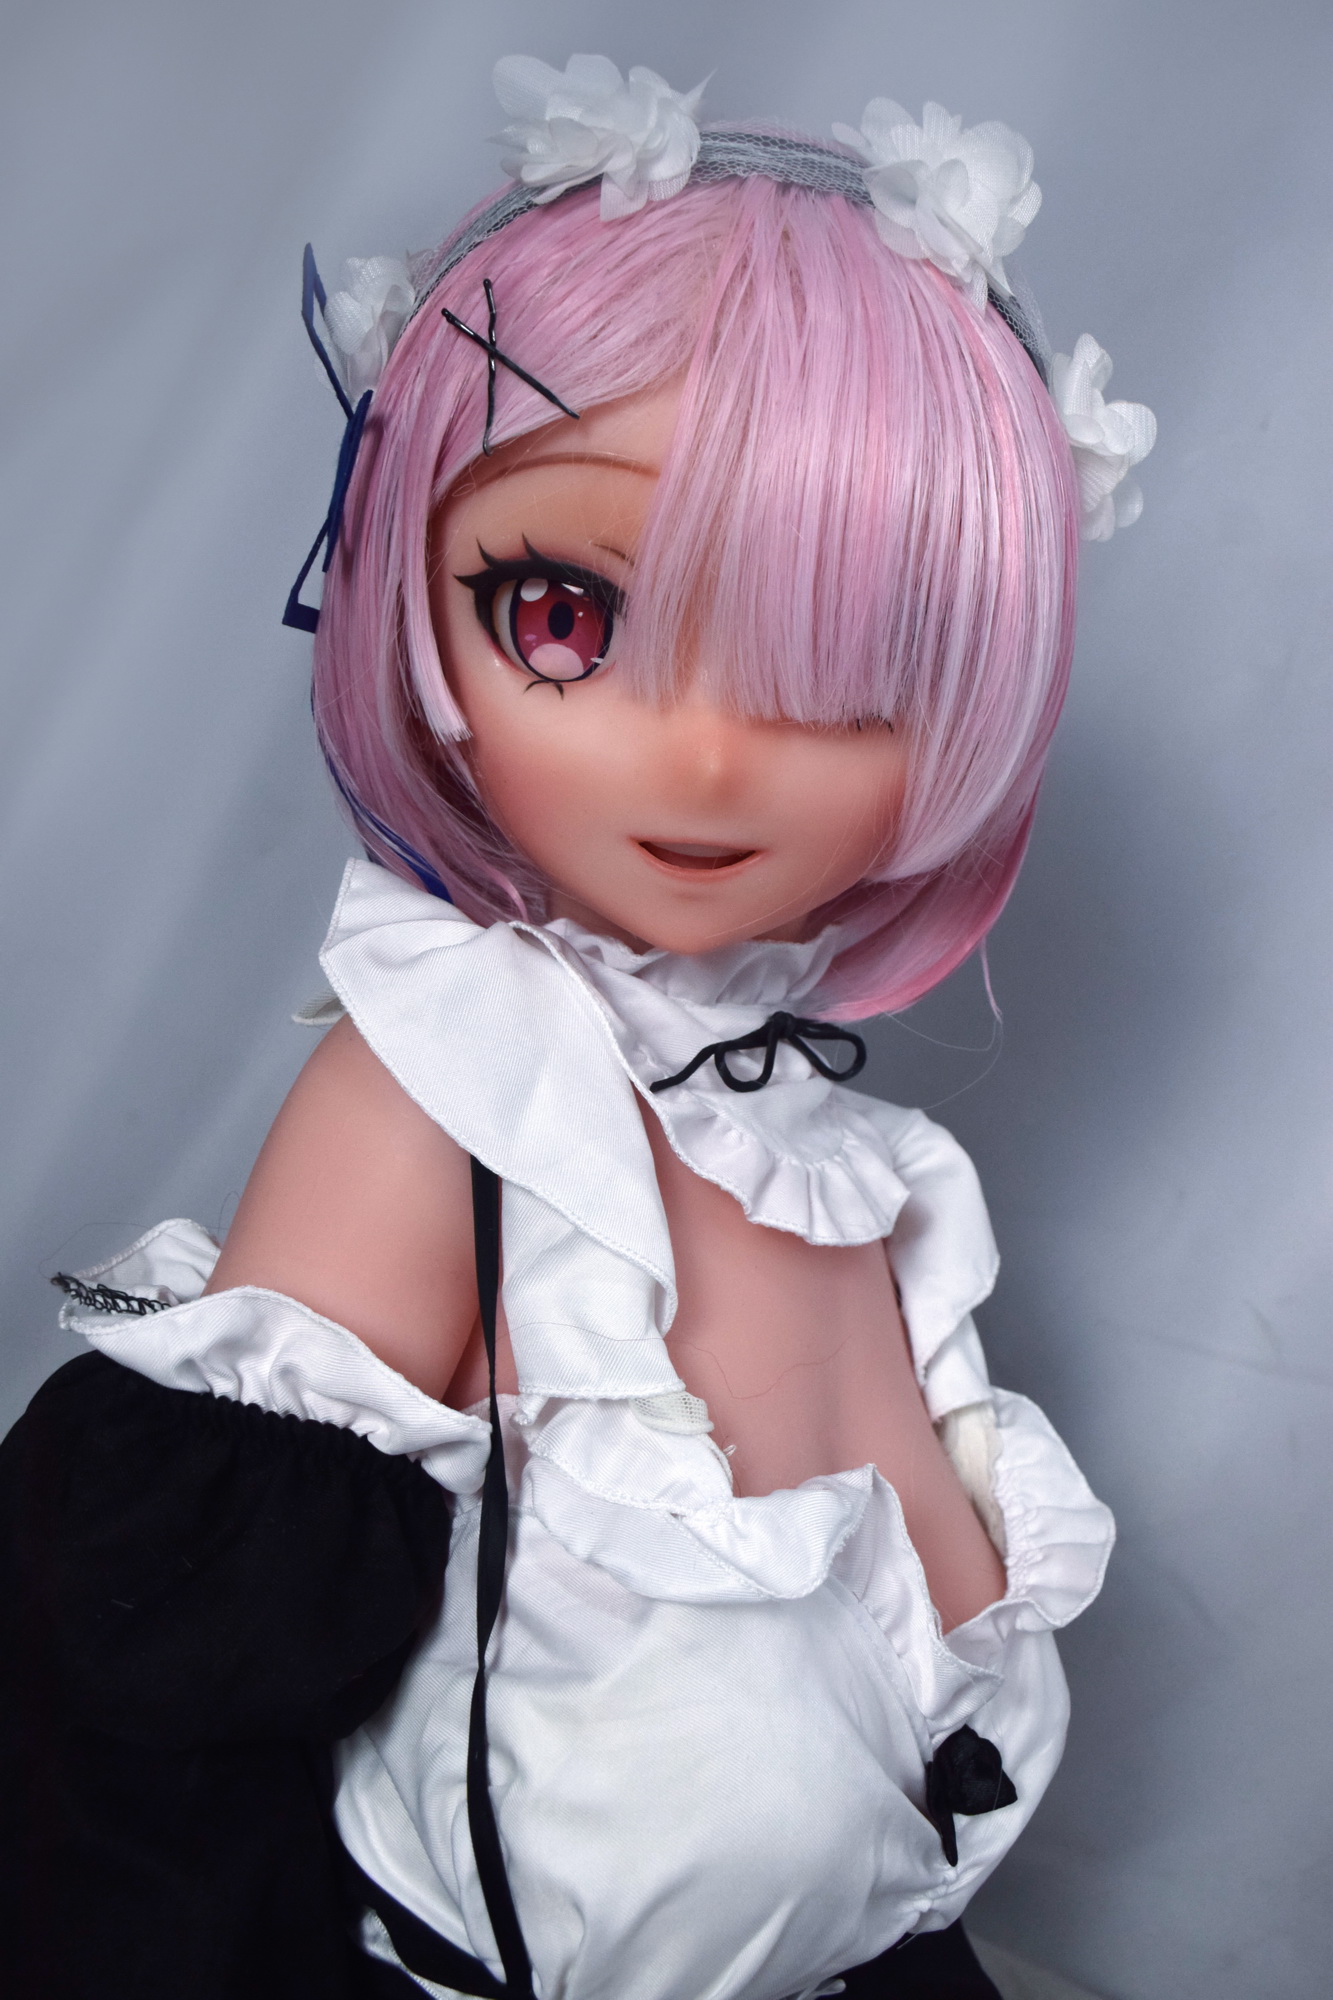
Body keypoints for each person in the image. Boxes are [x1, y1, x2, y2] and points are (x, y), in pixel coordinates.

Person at [0, 55, 1150, 2000]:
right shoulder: (447, 1097)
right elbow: (160, 1710)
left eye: (845, 663)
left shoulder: (841, 1160)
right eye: (563, 614)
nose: (703, 756)